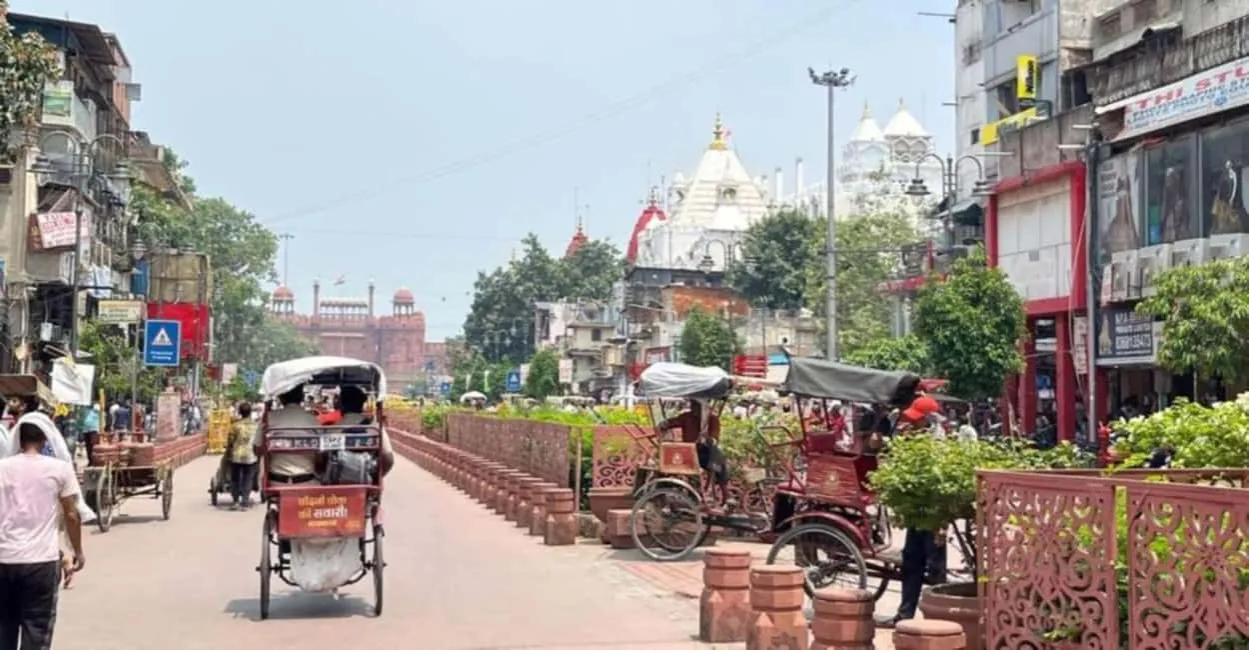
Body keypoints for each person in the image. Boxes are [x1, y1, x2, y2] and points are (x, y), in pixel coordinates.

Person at [0, 422, 85, 648]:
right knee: (36, 632)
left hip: (4, 560)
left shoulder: (2, 468)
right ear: (45, 439)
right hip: (41, 564)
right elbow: (71, 515)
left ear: (18, 440)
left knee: (4, 630)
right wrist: (77, 552)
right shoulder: (60, 469)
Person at [657, 400, 729, 509]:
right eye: (692, 405)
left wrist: (709, 439)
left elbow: (715, 436)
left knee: (720, 463)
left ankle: (725, 496)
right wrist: (663, 425)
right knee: (715, 462)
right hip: (688, 453)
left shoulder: (712, 419)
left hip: (705, 451)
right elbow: (671, 422)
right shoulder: (687, 417)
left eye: (696, 406)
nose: (693, 408)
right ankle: (696, 494)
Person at [259, 387, 320, 484]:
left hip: (276, 481)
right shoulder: (313, 420)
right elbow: (321, 454)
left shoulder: (269, 418)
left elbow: (257, 449)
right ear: (302, 397)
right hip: (307, 482)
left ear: (281, 398)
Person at [338, 386, 395, 476]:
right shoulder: (374, 426)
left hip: (337, 474)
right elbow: (388, 459)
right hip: (368, 473)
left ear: (341, 405)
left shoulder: (333, 427)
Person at [226, 403, 259, 510]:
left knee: (235, 479)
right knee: (248, 478)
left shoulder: (235, 426)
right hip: (251, 455)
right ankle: (245, 502)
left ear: (240, 412)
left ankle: (235, 502)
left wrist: (228, 451)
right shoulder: (256, 426)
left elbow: (230, 441)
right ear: (250, 412)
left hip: (236, 456)